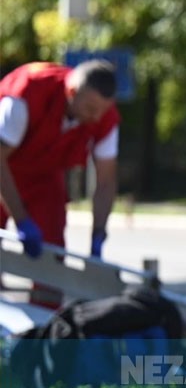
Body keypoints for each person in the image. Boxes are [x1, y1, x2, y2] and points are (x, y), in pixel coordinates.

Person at [0, 60, 120, 260]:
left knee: (51, 249)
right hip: (5, 168)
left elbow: (106, 180)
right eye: (91, 108)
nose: (97, 117)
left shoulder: (105, 117)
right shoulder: (27, 94)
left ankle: (46, 291)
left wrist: (98, 233)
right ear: (72, 93)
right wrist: (21, 220)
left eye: (103, 110)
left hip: (44, 176)